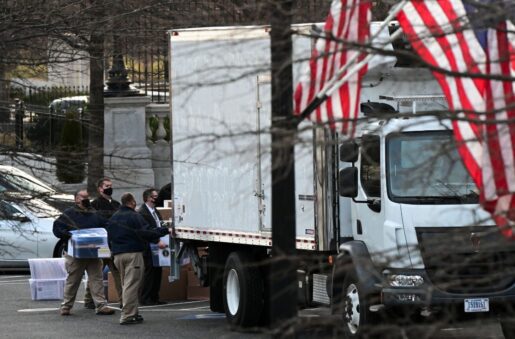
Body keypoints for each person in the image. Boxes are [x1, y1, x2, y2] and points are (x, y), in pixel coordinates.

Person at [107, 193, 171, 325]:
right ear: (131, 202)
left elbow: (109, 237)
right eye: (134, 201)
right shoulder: (135, 216)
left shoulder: (113, 217)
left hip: (117, 255)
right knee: (132, 285)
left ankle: (133, 312)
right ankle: (127, 316)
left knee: (126, 284)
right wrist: (165, 230)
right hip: (133, 254)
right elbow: (146, 232)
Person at [52, 189, 115, 316]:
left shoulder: (94, 213)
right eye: (83, 197)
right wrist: (69, 235)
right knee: (73, 280)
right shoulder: (69, 214)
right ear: (76, 199)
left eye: (87, 197)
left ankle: (101, 305)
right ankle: (66, 306)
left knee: (96, 279)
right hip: (76, 254)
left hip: (93, 253)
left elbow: (106, 225)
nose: (86, 199)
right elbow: (57, 228)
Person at [84, 177, 123, 309]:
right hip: (102, 244)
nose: (109, 188)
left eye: (110, 185)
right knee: (96, 272)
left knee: (117, 272)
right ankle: (88, 299)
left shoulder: (117, 205)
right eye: (106, 186)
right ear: (100, 189)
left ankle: (123, 300)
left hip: (114, 243)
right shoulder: (95, 205)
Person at [138, 188, 167, 306]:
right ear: (148, 198)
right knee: (149, 273)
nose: (157, 198)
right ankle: (145, 298)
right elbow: (146, 231)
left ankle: (155, 297)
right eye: (155, 196)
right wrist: (156, 240)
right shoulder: (142, 212)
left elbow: (159, 225)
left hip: (158, 247)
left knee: (157, 272)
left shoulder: (155, 211)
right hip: (148, 246)